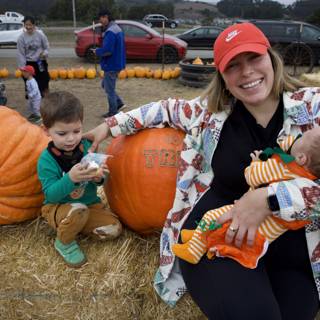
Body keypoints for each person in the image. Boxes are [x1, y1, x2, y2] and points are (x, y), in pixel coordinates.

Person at [83, 23, 320, 319]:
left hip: (292, 247)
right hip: (217, 236)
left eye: (254, 58)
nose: (246, 72)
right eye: (233, 65)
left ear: (271, 58)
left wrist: (268, 199)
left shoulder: (313, 109)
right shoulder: (209, 115)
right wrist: (109, 125)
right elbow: (165, 109)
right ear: (221, 74)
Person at [172, 129, 320, 268]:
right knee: (215, 222)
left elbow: (253, 177)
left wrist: (256, 163)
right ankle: (199, 236)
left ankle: (194, 250)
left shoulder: (282, 169)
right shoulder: (307, 180)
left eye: (303, 136)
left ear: (301, 158)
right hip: (267, 235)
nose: (298, 136)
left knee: (211, 217)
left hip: (251, 226)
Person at [37, 91, 122, 268]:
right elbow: (51, 195)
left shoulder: (85, 148)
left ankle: (77, 226)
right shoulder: (46, 160)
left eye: (77, 131)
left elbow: (99, 181)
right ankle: (64, 242)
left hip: (90, 206)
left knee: (114, 228)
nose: (71, 138)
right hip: (59, 207)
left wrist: (99, 177)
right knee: (77, 210)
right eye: (62, 133)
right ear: (46, 130)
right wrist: (70, 178)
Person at [92, 9, 126, 118]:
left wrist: (97, 51)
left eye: (101, 18)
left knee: (109, 90)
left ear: (106, 17)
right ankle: (119, 103)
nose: (100, 21)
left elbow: (108, 50)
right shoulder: (117, 29)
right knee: (105, 85)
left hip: (111, 65)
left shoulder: (111, 31)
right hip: (117, 63)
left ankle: (113, 112)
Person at [17, 16, 50, 98]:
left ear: (34, 25)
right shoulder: (21, 38)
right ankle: (31, 97)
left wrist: (45, 53)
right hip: (29, 63)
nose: (28, 27)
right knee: (30, 82)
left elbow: (46, 46)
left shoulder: (40, 35)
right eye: (26, 25)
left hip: (40, 61)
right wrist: (22, 67)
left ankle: (43, 94)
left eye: (30, 24)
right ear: (24, 25)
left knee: (44, 78)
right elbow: (21, 54)